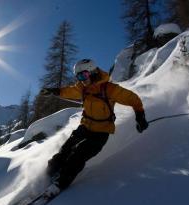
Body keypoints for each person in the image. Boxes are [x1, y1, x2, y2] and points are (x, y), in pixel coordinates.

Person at [40, 59, 148, 196]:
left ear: (92, 72)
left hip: (101, 132)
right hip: (84, 127)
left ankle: (59, 184)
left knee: (78, 155)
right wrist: (54, 91)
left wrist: (140, 116)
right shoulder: (82, 88)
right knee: (64, 151)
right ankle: (48, 175)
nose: (81, 80)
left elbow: (133, 99)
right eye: (78, 77)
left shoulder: (110, 89)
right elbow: (69, 91)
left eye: (83, 76)